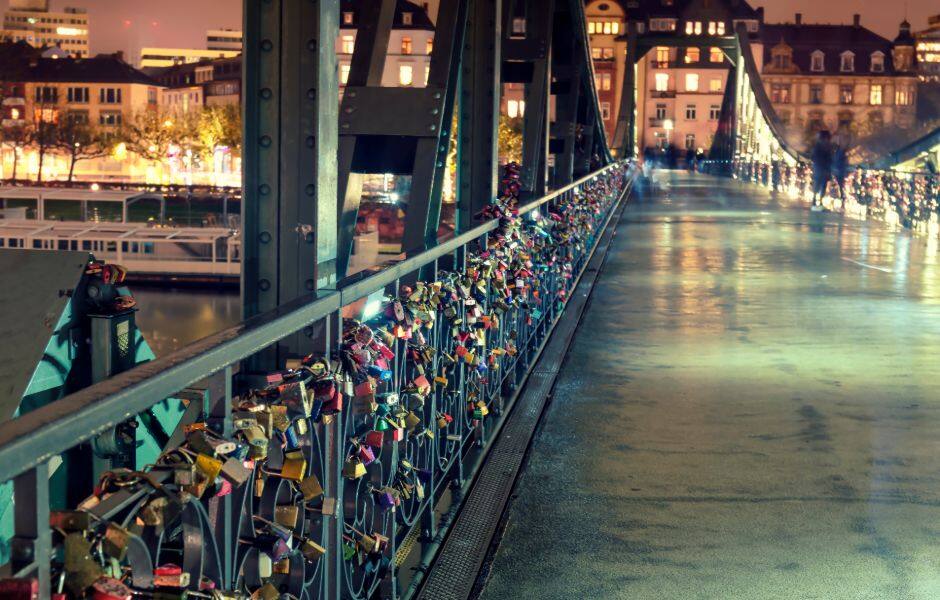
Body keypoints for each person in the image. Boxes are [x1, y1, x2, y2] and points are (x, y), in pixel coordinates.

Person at [810, 130, 833, 209]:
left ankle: (814, 201)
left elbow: (812, 157)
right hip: (824, 168)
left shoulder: (817, 145)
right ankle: (819, 201)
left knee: (817, 184)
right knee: (822, 185)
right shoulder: (827, 146)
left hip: (818, 168)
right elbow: (830, 158)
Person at [832, 143, 848, 208]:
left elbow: (836, 163)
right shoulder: (840, 154)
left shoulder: (837, 154)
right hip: (840, 172)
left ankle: (841, 197)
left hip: (838, 172)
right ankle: (842, 197)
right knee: (841, 185)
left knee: (840, 185)